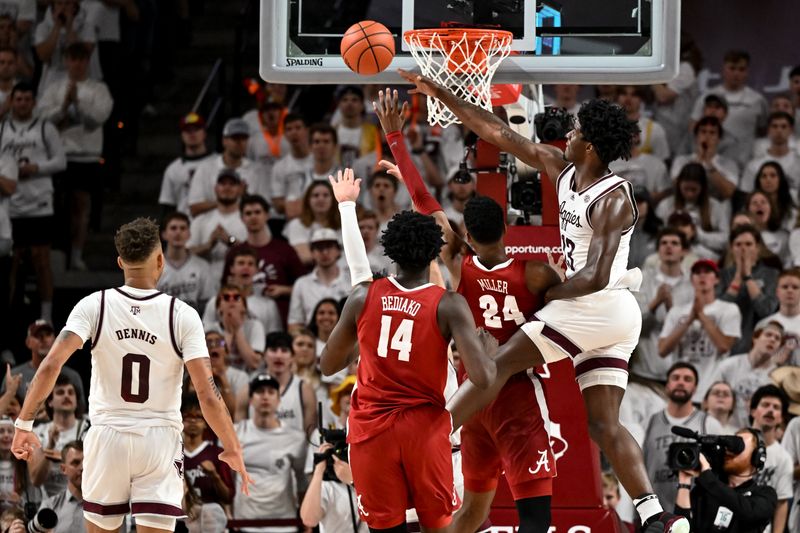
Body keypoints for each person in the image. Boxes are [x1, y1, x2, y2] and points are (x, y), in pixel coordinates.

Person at [399, 74, 687, 532]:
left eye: (575, 133)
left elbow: (593, 275)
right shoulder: (560, 168)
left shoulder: (615, 198)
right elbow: (499, 133)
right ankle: (657, 517)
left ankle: (428, 439)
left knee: (498, 365)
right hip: (605, 314)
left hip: (598, 304)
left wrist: (548, 295)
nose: (566, 137)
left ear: (590, 146)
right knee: (602, 425)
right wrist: (443, 95)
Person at [373, 91, 561, 532]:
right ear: (507, 229)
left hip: (473, 400)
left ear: (469, 235)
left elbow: (426, 203)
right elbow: (568, 311)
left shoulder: (460, 260)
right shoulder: (536, 274)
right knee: (536, 520)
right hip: (515, 397)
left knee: (473, 512)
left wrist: (396, 137)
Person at [9, 217, 251, 532]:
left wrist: (24, 423)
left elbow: (51, 365)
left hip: (108, 435)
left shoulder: (94, 305)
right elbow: (207, 391)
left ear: (120, 261)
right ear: (161, 259)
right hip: (159, 438)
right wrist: (231, 446)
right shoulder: (182, 314)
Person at [320, 168, 498, 531]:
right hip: (425, 430)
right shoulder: (448, 305)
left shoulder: (363, 295)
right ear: (435, 253)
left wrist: (362, 335)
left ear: (389, 253)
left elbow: (328, 365)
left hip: (372, 429)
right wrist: (486, 350)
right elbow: (482, 378)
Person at [38, 41, 112, 271]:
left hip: (86, 156)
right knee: (56, 206)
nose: (77, 64)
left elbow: (98, 118)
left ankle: (77, 254)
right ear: (66, 61)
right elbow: (41, 119)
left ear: (87, 62)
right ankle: (57, 252)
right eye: (73, 59)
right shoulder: (53, 89)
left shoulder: (99, 88)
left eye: (82, 59)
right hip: (58, 157)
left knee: (81, 206)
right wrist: (63, 107)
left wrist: (77, 104)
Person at [0, 81, 66, 323]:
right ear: (11, 102)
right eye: (18, 99)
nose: (23, 103)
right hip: (10, 206)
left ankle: (46, 316)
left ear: (34, 102)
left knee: (41, 259)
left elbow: (61, 161)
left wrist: (36, 168)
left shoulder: (45, 127)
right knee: (12, 263)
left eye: (27, 99)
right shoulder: (3, 128)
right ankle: (11, 312)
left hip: (39, 203)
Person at [642, 362, 723, 512]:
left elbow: (719, 474)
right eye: (675, 378)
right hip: (655, 513)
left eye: (687, 379)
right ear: (667, 385)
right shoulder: (648, 422)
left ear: (695, 388)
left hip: (695, 513)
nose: (680, 382)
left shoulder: (709, 424)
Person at [233, 373, 307, 533]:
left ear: (279, 400)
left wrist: (305, 520)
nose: (265, 396)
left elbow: (302, 480)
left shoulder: (296, 438)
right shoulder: (235, 433)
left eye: (271, 392)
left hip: (284, 524)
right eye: (260, 392)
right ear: (251, 400)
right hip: (244, 523)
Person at [658, 259, 741, 402]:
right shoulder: (677, 312)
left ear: (716, 279)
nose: (702, 276)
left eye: (707, 272)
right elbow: (662, 350)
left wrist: (701, 315)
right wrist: (689, 320)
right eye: (697, 273)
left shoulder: (729, 309)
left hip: (710, 390)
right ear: (691, 279)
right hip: (681, 389)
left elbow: (724, 346)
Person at [672, 428, 776, 533]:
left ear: (757, 456)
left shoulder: (766, 494)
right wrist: (684, 483)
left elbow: (747, 511)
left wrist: (707, 476)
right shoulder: (705, 490)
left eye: (738, 445)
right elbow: (680, 528)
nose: (729, 450)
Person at [225, 194, 306, 326]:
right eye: (248, 213)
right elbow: (225, 288)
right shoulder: (235, 253)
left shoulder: (284, 249)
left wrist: (283, 290)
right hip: (243, 321)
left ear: (267, 215)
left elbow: (304, 285)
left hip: (281, 318)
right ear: (242, 218)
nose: (253, 217)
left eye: (257, 212)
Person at [690, 50, 768, 169]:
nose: (736, 73)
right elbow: (693, 129)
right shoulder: (706, 97)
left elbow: (764, 132)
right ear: (724, 69)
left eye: (741, 69)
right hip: (709, 162)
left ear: (747, 72)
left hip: (745, 164)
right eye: (732, 68)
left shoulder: (758, 100)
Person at [634, 227, 694, 382]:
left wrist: (671, 309)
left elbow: (691, 331)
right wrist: (655, 303)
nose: (669, 246)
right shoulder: (642, 280)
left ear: (684, 251)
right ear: (658, 250)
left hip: (680, 370)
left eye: (675, 243)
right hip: (645, 369)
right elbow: (634, 326)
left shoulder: (692, 285)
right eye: (664, 243)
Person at [719, 224, 780, 353]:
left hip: (760, 348)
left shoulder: (771, 275)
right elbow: (719, 312)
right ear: (731, 248)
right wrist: (737, 278)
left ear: (757, 248)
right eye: (738, 244)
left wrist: (747, 277)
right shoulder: (722, 275)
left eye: (748, 244)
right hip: (728, 346)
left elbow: (766, 310)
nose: (743, 249)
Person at [711, 322, 784, 427]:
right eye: (768, 335)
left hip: (755, 433)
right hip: (725, 428)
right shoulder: (729, 365)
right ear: (755, 338)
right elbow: (711, 398)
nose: (772, 340)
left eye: (777, 339)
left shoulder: (778, 376)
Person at [28, 374, 88, 498]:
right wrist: (50, 447)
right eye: (60, 392)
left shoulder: (88, 430)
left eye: (71, 392)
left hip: (83, 502)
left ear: (77, 401)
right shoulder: (36, 434)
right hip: (50, 507)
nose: (67, 396)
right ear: (49, 401)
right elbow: (35, 480)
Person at [187, 117, 262, 218]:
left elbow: (262, 209)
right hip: (210, 225)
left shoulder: (256, 170)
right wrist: (229, 199)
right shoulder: (205, 168)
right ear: (224, 141)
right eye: (235, 138)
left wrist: (244, 196)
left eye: (244, 138)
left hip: (243, 226)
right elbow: (194, 208)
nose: (240, 142)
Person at [186, 168, 248, 281]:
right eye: (222, 183)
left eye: (232, 184)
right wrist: (208, 245)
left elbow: (258, 253)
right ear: (215, 188)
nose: (227, 187)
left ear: (240, 189)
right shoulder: (200, 220)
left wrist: (231, 240)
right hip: (204, 281)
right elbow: (185, 254)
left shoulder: (249, 219)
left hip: (238, 282)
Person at [748, 385, 792, 533]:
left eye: (776, 407)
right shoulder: (732, 445)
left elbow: (782, 503)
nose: (770, 410)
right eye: (765, 405)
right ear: (753, 411)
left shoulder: (784, 458)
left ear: (781, 417)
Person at [287, 228, 350, 332]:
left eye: (329, 247)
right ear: (312, 252)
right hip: (313, 342)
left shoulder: (352, 282)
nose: (325, 252)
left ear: (338, 251)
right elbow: (294, 324)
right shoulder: (301, 284)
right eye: (319, 248)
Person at [300, 439, 366, 533]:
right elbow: (309, 520)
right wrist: (319, 470)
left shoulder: (372, 480)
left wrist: (353, 481)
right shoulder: (327, 485)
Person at [180, 394, 234, 508]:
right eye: (188, 417)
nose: (193, 421)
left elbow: (229, 497)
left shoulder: (218, 454)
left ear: (206, 422)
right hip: (180, 521)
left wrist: (215, 476)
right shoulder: (173, 453)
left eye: (198, 417)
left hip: (210, 520)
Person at [158, 112, 214, 217]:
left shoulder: (218, 162)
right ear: (182, 135)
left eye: (196, 129)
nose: (192, 134)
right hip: (183, 227)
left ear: (204, 133)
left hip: (212, 223)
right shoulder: (173, 169)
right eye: (188, 130)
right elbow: (168, 206)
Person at [261, 331, 317, 436]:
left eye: (284, 350)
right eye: (273, 350)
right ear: (264, 354)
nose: (279, 355)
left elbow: (311, 437)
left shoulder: (305, 390)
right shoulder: (247, 389)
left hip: (294, 452)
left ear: (292, 356)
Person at [157, 211, 214, 313]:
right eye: (173, 228)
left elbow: (208, 302)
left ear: (189, 234)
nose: (178, 232)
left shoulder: (202, 266)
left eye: (183, 228)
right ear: (164, 234)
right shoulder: (153, 268)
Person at [37, 440, 85, 533]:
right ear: (63, 469)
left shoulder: (106, 506)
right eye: (76, 462)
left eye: (87, 461)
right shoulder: (50, 507)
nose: (82, 467)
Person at [270, 114, 311, 218]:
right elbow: (277, 203)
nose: (294, 132)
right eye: (289, 129)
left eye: (298, 128)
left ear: (307, 130)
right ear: (284, 134)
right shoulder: (279, 167)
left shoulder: (320, 161)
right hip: (293, 221)